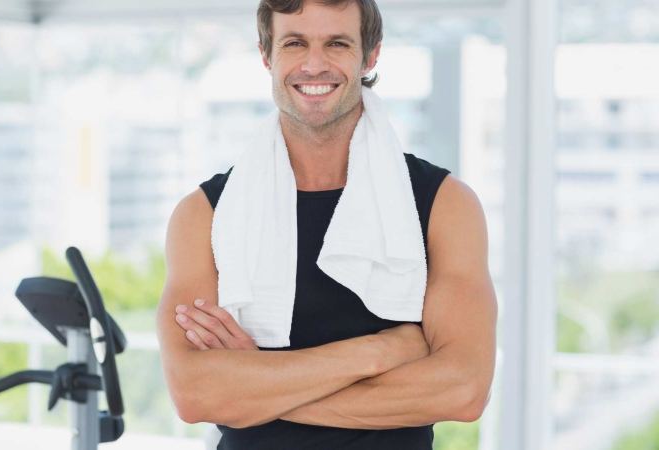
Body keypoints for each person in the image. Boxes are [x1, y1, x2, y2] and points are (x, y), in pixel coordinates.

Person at [156, 0, 498, 448]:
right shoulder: (203, 215)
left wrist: (258, 388)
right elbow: (194, 393)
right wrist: (378, 352)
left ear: (370, 54)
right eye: (295, 43)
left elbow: (463, 390)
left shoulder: (444, 205)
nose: (314, 65)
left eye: (337, 43)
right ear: (266, 54)